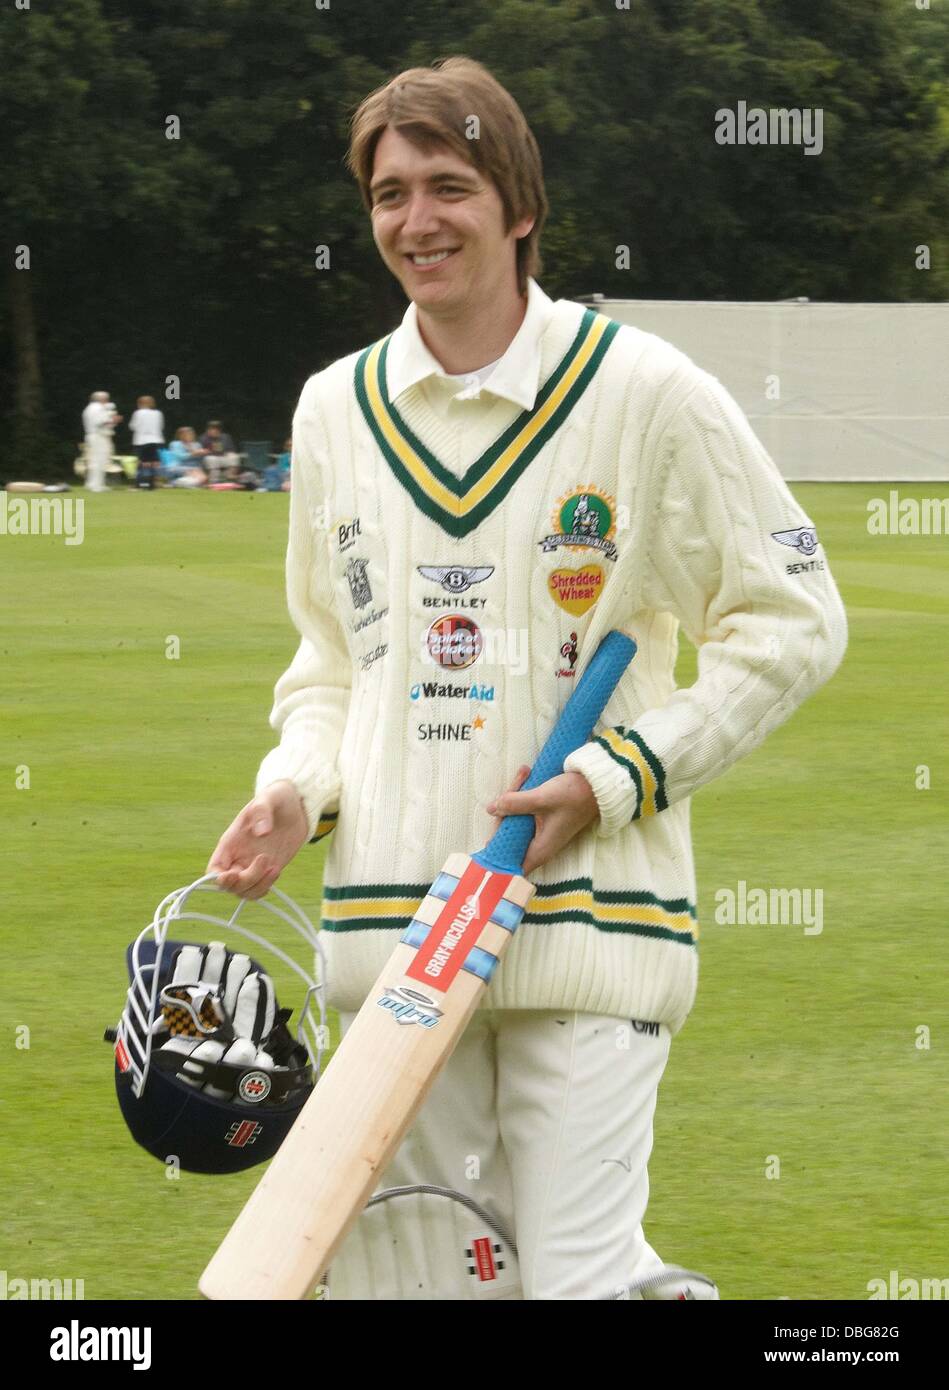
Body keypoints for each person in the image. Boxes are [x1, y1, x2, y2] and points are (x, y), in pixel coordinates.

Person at [207, 57, 847, 1300]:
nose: (416, 221)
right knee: (432, 1295)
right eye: (389, 194)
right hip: (395, 944)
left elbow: (793, 616)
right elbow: (334, 662)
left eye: (449, 185)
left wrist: (615, 778)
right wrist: (295, 789)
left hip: (585, 928)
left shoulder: (646, 392)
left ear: (518, 207)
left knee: (572, 1285)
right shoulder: (335, 409)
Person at [81, 391, 122, 492]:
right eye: (106, 399)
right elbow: (101, 423)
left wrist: (111, 421)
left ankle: (92, 483)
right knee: (100, 460)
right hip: (99, 436)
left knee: (94, 460)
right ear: (102, 399)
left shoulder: (89, 408)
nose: (107, 401)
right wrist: (114, 420)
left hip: (93, 435)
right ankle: (97, 485)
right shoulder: (98, 408)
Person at [128, 395, 165, 490]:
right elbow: (161, 426)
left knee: (143, 463)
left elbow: (133, 426)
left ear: (140, 404)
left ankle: (143, 484)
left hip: (142, 441)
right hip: (156, 440)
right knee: (153, 463)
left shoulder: (138, 413)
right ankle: (151, 484)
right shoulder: (158, 413)